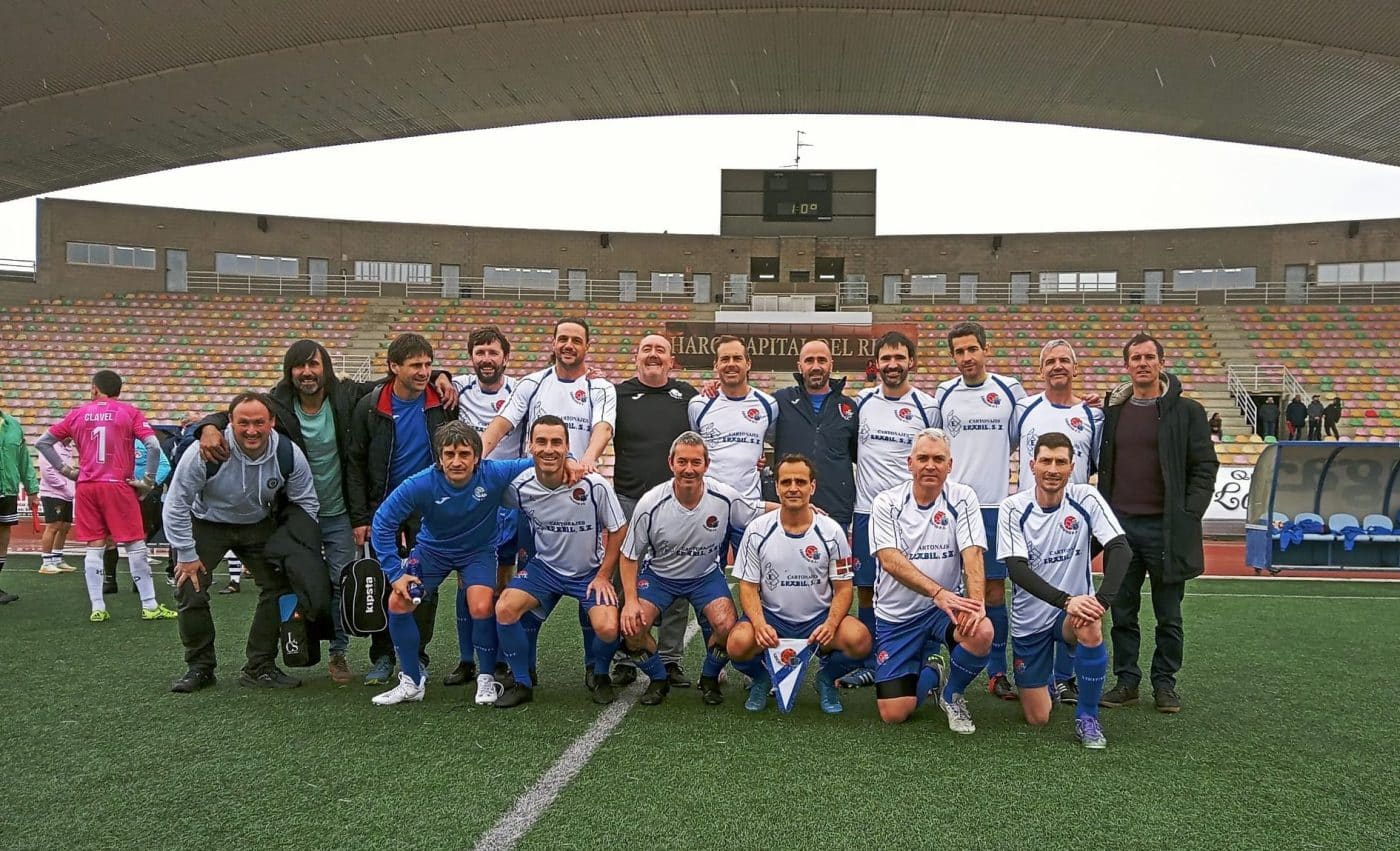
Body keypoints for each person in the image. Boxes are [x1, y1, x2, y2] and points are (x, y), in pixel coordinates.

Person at [195, 338, 454, 685]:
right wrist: (208, 426)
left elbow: (400, 378)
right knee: (298, 584)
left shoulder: (347, 395)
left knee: (350, 582)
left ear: (325, 368)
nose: (307, 372)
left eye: (314, 365)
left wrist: (439, 373)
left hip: (343, 509)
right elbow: (243, 412)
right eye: (300, 366)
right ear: (290, 372)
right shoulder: (279, 404)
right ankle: (273, 659)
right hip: (296, 512)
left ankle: (339, 653)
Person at [367, 422, 536, 706]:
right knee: (398, 603)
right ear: (439, 457)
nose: (456, 461)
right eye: (449, 454)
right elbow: (383, 521)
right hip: (433, 551)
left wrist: (572, 464)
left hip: (478, 552)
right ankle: (411, 681)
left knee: (481, 605)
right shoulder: (420, 483)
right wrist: (395, 573)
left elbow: (539, 460)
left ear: (477, 457)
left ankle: (485, 677)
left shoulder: (494, 473)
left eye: (464, 454)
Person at [162, 392, 319, 693]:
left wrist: (298, 545)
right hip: (206, 522)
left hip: (257, 524)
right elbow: (176, 503)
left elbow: (306, 502)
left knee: (281, 586)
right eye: (243, 423)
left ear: (272, 422)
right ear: (229, 423)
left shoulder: (288, 453)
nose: (251, 430)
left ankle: (260, 666)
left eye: (259, 422)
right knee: (189, 586)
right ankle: (200, 667)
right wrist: (185, 552)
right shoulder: (204, 451)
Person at [1097, 333, 1218, 714]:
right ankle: (1127, 681)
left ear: (1162, 363)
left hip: (1166, 529)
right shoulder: (1114, 412)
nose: (1143, 363)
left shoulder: (1188, 412)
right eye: (1136, 358)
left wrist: (1187, 513)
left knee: (1169, 615)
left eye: (1150, 357)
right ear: (1127, 365)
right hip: (1122, 530)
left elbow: (1205, 467)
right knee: (1123, 611)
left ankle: (1165, 684)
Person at [998, 432, 1133, 749]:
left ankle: (1087, 716)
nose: (1052, 469)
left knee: (1090, 624)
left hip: (1071, 615)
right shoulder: (1013, 507)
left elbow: (1120, 547)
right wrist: (1066, 600)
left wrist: (1101, 601)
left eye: (1060, 462)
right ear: (1032, 465)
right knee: (1038, 717)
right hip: (1030, 621)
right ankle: (1048, 681)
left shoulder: (1085, 497)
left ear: (1072, 467)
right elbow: (1017, 569)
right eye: (1046, 461)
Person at [619, 432, 771, 706]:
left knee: (727, 626)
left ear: (706, 464)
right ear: (671, 463)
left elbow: (756, 510)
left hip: (704, 577)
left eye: (696, 462)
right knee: (632, 628)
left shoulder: (723, 496)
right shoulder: (650, 504)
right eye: (682, 462)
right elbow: (629, 556)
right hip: (660, 576)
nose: (689, 469)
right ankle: (658, 679)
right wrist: (630, 601)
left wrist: (803, 508)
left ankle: (710, 678)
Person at [349, 332, 459, 685]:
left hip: (429, 507)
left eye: (428, 364)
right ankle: (382, 656)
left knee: (424, 584)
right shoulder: (370, 405)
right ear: (393, 367)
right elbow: (355, 464)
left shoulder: (441, 403)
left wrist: (445, 375)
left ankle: (416, 655)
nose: (424, 371)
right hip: (386, 506)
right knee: (385, 581)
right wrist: (361, 517)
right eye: (415, 365)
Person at [493, 416, 627, 708]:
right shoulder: (519, 487)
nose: (549, 449)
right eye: (541, 441)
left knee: (607, 627)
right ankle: (522, 681)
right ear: (531, 446)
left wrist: (604, 575)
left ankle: (600, 674)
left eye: (556, 442)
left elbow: (619, 530)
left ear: (568, 447)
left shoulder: (593, 485)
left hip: (589, 571)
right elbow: (484, 488)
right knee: (504, 608)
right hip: (545, 570)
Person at [869, 429, 993, 733]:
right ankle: (933, 672)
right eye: (923, 458)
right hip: (897, 615)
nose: (930, 465)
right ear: (910, 463)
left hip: (944, 609)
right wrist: (936, 591)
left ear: (949, 466)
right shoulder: (887, 502)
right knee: (894, 713)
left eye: (938, 459)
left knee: (982, 630)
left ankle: (952, 694)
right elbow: (890, 559)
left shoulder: (963, 497)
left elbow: (973, 553)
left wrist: (976, 605)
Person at [726, 454, 870, 715]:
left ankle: (826, 679)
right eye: (787, 482)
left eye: (801, 482)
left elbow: (844, 588)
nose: (793, 488)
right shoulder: (757, 529)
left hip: (818, 619)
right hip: (773, 619)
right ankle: (761, 678)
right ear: (777, 487)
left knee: (860, 640)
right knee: (737, 643)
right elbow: (747, 586)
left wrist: (831, 624)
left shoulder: (832, 531)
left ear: (812, 487)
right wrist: (759, 625)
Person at [842, 330, 940, 688]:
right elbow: (853, 448)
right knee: (867, 588)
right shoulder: (861, 403)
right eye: (886, 358)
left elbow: (935, 455)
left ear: (911, 362)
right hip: (868, 510)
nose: (893, 365)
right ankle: (872, 659)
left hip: (912, 513)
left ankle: (924, 656)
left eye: (900, 358)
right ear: (876, 364)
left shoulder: (927, 407)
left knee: (919, 584)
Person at [934, 321, 1026, 701]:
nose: (966, 357)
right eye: (959, 351)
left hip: (993, 507)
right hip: (952, 505)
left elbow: (1020, 438)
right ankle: (939, 659)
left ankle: (997, 669)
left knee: (992, 590)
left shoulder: (1009, 391)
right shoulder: (944, 394)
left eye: (972, 349)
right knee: (942, 587)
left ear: (986, 350)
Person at [1009, 339, 1105, 702]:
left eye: (1065, 360)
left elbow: (1094, 463)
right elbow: (1011, 447)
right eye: (1050, 361)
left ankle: (1065, 677)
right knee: (1028, 593)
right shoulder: (1024, 408)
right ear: (1041, 369)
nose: (1058, 366)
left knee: (1078, 596)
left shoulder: (1094, 416)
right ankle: (1023, 671)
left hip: (1072, 522)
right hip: (1030, 519)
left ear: (1075, 368)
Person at [35, 370, 172, 621]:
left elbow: (42, 442)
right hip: (117, 485)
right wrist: (148, 482)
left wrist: (68, 471)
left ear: (95, 389)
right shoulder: (129, 412)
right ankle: (150, 605)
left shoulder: (77, 413)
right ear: (118, 391)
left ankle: (98, 608)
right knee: (134, 544)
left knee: (95, 546)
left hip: (87, 486)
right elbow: (153, 446)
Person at [610, 334, 699, 689]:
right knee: (623, 582)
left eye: (660, 350)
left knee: (675, 580)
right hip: (628, 499)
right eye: (647, 349)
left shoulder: (688, 397)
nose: (653, 355)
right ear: (636, 357)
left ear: (671, 360)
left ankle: (670, 658)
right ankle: (624, 656)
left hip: (674, 503)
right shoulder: (616, 396)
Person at [446, 325, 521, 689]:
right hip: (468, 502)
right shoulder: (457, 387)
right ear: (471, 357)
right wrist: (441, 375)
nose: (486, 359)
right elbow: (432, 377)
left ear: (505, 358)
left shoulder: (520, 392)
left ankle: (502, 659)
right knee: (467, 582)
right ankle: (466, 660)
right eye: (480, 352)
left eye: (493, 353)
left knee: (503, 582)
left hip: (506, 501)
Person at [480, 318, 616, 472]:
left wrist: (586, 461)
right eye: (563, 339)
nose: (568, 346)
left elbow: (603, 429)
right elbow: (499, 425)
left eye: (576, 341)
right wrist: (477, 458)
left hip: (578, 478)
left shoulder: (601, 388)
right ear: (554, 344)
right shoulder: (531, 383)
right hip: (537, 482)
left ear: (587, 346)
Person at [770, 340, 860, 530]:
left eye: (822, 360)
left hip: (835, 511)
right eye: (809, 361)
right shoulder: (780, 401)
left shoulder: (849, 407)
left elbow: (857, 455)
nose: (816, 366)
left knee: (836, 561)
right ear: (800, 366)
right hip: (790, 509)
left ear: (831, 365)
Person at [689, 335, 777, 518]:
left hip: (750, 507)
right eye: (724, 359)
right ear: (716, 365)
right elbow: (695, 450)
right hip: (708, 507)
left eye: (737, 358)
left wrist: (762, 460)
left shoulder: (769, 405)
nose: (731, 364)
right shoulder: (698, 404)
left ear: (748, 364)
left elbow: (774, 443)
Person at [0, 387, 42, 602]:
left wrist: (32, 490)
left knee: (3, 535)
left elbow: (24, 460)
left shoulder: (13, 426)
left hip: (7, 489)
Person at [37, 438, 77, 574]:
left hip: (67, 492)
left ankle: (57, 558)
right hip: (53, 492)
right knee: (53, 526)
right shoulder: (50, 446)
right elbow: (47, 471)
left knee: (65, 526)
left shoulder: (68, 447)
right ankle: (46, 562)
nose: (71, 437)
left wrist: (70, 488)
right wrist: (63, 486)